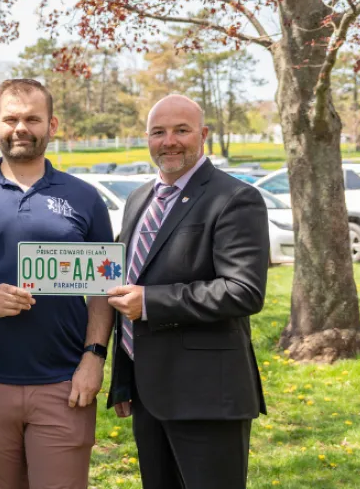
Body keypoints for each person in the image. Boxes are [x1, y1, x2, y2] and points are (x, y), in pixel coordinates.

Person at [0, 78, 115, 489]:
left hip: (64, 381)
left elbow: (105, 285)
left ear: (52, 125)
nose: (21, 128)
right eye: (11, 118)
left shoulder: (84, 198)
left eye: (33, 118)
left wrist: (95, 357)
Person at [105, 94, 268, 489]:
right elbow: (127, 276)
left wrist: (151, 302)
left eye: (182, 130)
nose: (169, 141)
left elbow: (243, 290)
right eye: (159, 132)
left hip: (206, 394)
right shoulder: (138, 199)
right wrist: (123, 378)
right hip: (148, 392)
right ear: (147, 138)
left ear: (204, 135)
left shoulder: (234, 198)